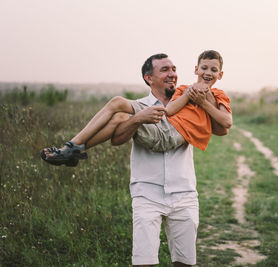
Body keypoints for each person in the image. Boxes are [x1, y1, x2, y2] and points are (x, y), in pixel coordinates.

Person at [110, 51, 231, 266]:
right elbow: (117, 139)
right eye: (165, 70)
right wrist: (137, 119)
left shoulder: (192, 100)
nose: (172, 74)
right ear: (149, 78)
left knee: (185, 262)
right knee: (143, 261)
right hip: (146, 192)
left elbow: (223, 128)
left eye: (174, 69)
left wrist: (205, 101)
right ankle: (75, 146)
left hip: (183, 193)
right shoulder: (137, 106)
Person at [40, 51, 231, 166]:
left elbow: (225, 124)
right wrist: (190, 94)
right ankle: (74, 151)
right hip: (163, 127)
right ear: (196, 70)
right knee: (118, 116)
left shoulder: (218, 96)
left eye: (213, 70)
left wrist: (204, 102)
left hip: (170, 135)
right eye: (204, 68)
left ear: (220, 75)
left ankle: (71, 146)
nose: (208, 73)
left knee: (117, 102)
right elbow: (171, 110)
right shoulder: (183, 89)